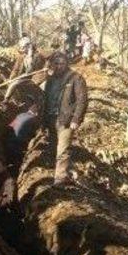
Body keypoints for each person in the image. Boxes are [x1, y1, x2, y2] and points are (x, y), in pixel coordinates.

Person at [42, 51, 88, 186]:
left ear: (67, 64)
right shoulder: (50, 79)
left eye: (62, 63)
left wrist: (76, 119)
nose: (59, 66)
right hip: (51, 118)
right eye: (56, 64)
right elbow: (44, 96)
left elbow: (82, 100)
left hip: (66, 120)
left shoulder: (76, 78)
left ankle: (60, 178)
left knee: (63, 149)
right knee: (53, 146)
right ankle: (55, 173)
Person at [3, 101, 40, 174]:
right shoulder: (33, 119)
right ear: (36, 113)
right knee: (18, 160)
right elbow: (33, 135)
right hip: (16, 145)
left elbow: (10, 126)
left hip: (6, 140)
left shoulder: (21, 115)